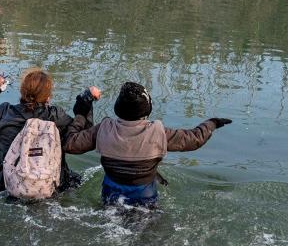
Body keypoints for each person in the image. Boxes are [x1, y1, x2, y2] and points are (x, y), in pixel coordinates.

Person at [63, 81, 231, 208]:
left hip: (111, 193)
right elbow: (194, 139)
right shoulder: (158, 132)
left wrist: (82, 111)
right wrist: (212, 123)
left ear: (117, 108)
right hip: (145, 195)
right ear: (147, 109)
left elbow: (71, 143)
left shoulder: (103, 129)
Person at [0, 68, 99, 194]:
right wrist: (86, 100)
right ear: (48, 97)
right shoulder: (57, 117)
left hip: (5, 187)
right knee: (74, 181)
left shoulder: (2, 115)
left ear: (22, 91)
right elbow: (81, 138)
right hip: (50, 188)